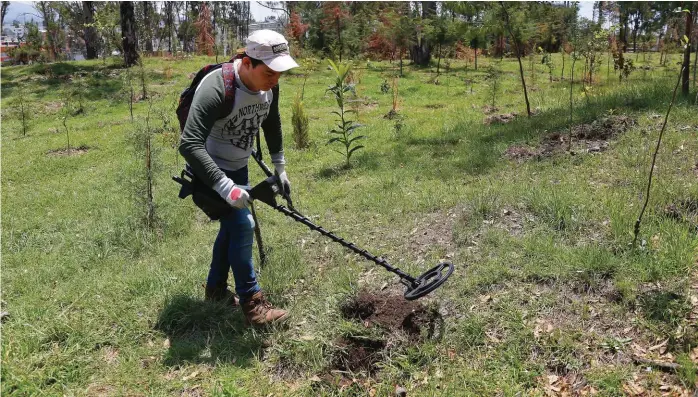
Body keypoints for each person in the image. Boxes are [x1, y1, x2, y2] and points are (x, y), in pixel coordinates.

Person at [179, 30, 298, 326]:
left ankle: (215, 290)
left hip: (240, 166)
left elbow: (272, 121)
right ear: (248, 63)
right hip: (210, 171)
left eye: (279, 74)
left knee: (231, 228)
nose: (275, 80)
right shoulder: (217, 86)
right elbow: (189, 144)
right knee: (243, 225)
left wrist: (279, 167)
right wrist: (225, 187)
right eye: (269, 73)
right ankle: (253, 304)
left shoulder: (270, 86)